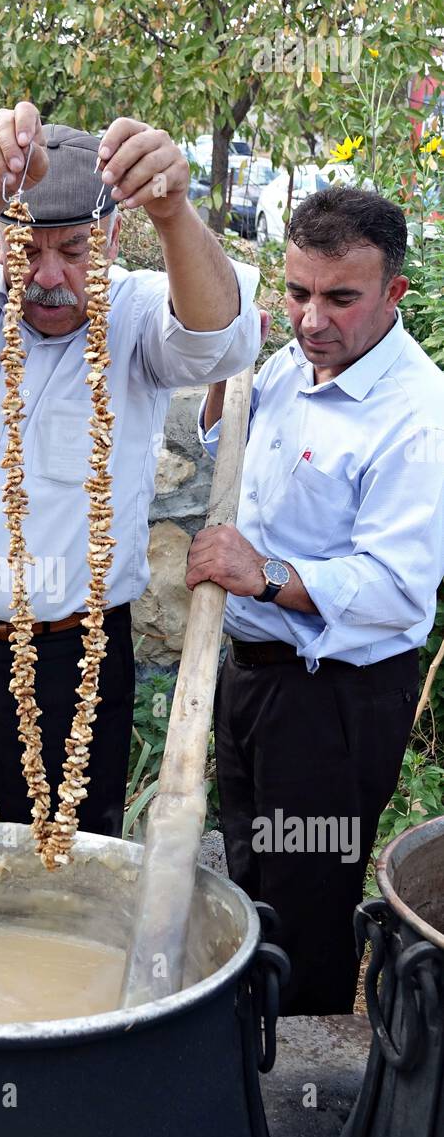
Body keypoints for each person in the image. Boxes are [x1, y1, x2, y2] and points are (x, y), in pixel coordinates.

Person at [0, 100, 261, 836]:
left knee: (68, 873)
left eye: (76, 251)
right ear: (2, 238)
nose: (50, 278)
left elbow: (221, 339)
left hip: (70, 661)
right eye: (29, 248)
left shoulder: (136, 316)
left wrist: (174, 211)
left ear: (114, 235)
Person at [189, 185, 444, 1015]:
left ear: (393, 293)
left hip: (332, 698)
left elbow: (396, 586)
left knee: (307, 904)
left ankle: (298, 1098)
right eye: (297, 292)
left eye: (341, 297)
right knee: (252, 876)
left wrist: (261, 574)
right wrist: (220, 391)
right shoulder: (289, 366)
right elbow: (232, 437)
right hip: (253, 680)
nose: (310, 318)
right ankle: (246, 1062)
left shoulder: (418, 415)